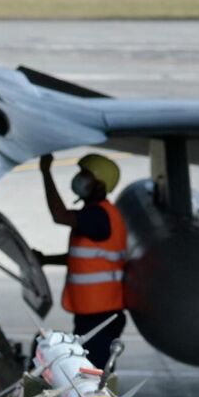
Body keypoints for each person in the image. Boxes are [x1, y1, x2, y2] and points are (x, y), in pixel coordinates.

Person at [38, 151, 128, 370]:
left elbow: (60, 215)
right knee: (87, 370)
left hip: (101, 315)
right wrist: (46, 259)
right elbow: (84, 259)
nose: (79, 179)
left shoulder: (98, 216)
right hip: (93, 313)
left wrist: (46, 172)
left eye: (85, 175)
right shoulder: (95, 215)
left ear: (99, 184)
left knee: (92, 374)